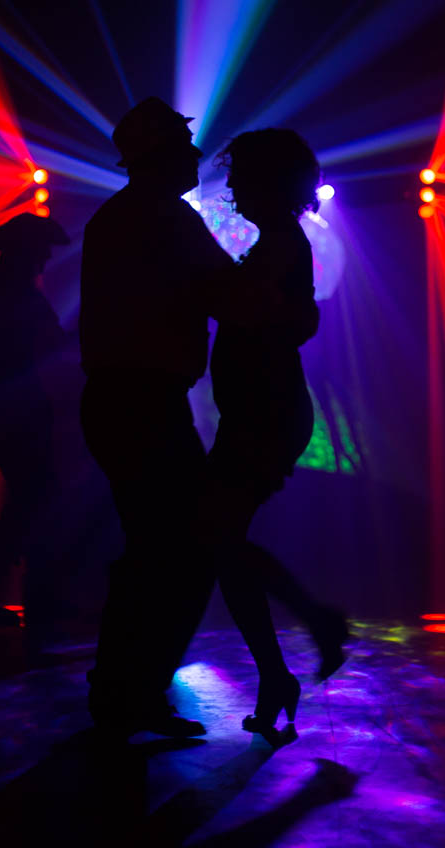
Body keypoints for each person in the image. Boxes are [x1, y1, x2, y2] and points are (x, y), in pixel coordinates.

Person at [79, 97, 236, 739]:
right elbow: (227, 290)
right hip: (143, 402)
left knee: (152, 550)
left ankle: (123, 693)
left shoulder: (120, 216)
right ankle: (132, 693)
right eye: (184, 145)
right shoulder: (164, 216)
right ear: (163, 154)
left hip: (124, 400)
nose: (196, 155)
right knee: (184, 549)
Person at [202, 129, 349, 744]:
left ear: (269, 180)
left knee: (215, 535)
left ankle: (309, 631)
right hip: (260, 410)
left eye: (241, 175)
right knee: (218, 539)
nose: (231, 186)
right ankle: (280, 668)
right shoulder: (278, 242)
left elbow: (246, 309)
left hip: (265, 411)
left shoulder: (281, 244)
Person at [0, 212, 71, 652]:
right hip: (18, 411)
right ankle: (29, 605)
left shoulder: (10, 296)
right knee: (34, 502)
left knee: (28, 503)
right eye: (41, 250)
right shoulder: (23, 300)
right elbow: (57, 346)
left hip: (6, 408)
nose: (47, 257)